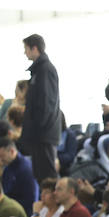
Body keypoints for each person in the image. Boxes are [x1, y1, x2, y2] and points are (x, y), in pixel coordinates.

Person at [21, 34, 61, 182]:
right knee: (40, 175)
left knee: (47, 176)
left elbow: (46, 103)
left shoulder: (45, 70)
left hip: (44, 133)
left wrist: (37, 128)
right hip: (40, 133)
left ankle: (54, 204)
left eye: (26, 48)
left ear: (34, 48)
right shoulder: (39, 70)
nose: (24, 52)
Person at [0, 136, 37, 216]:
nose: (0, 160)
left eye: (2, 156)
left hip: (20, 211)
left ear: (12, 151)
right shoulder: (8, 164)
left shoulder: (25, 169)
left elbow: (31, 199)